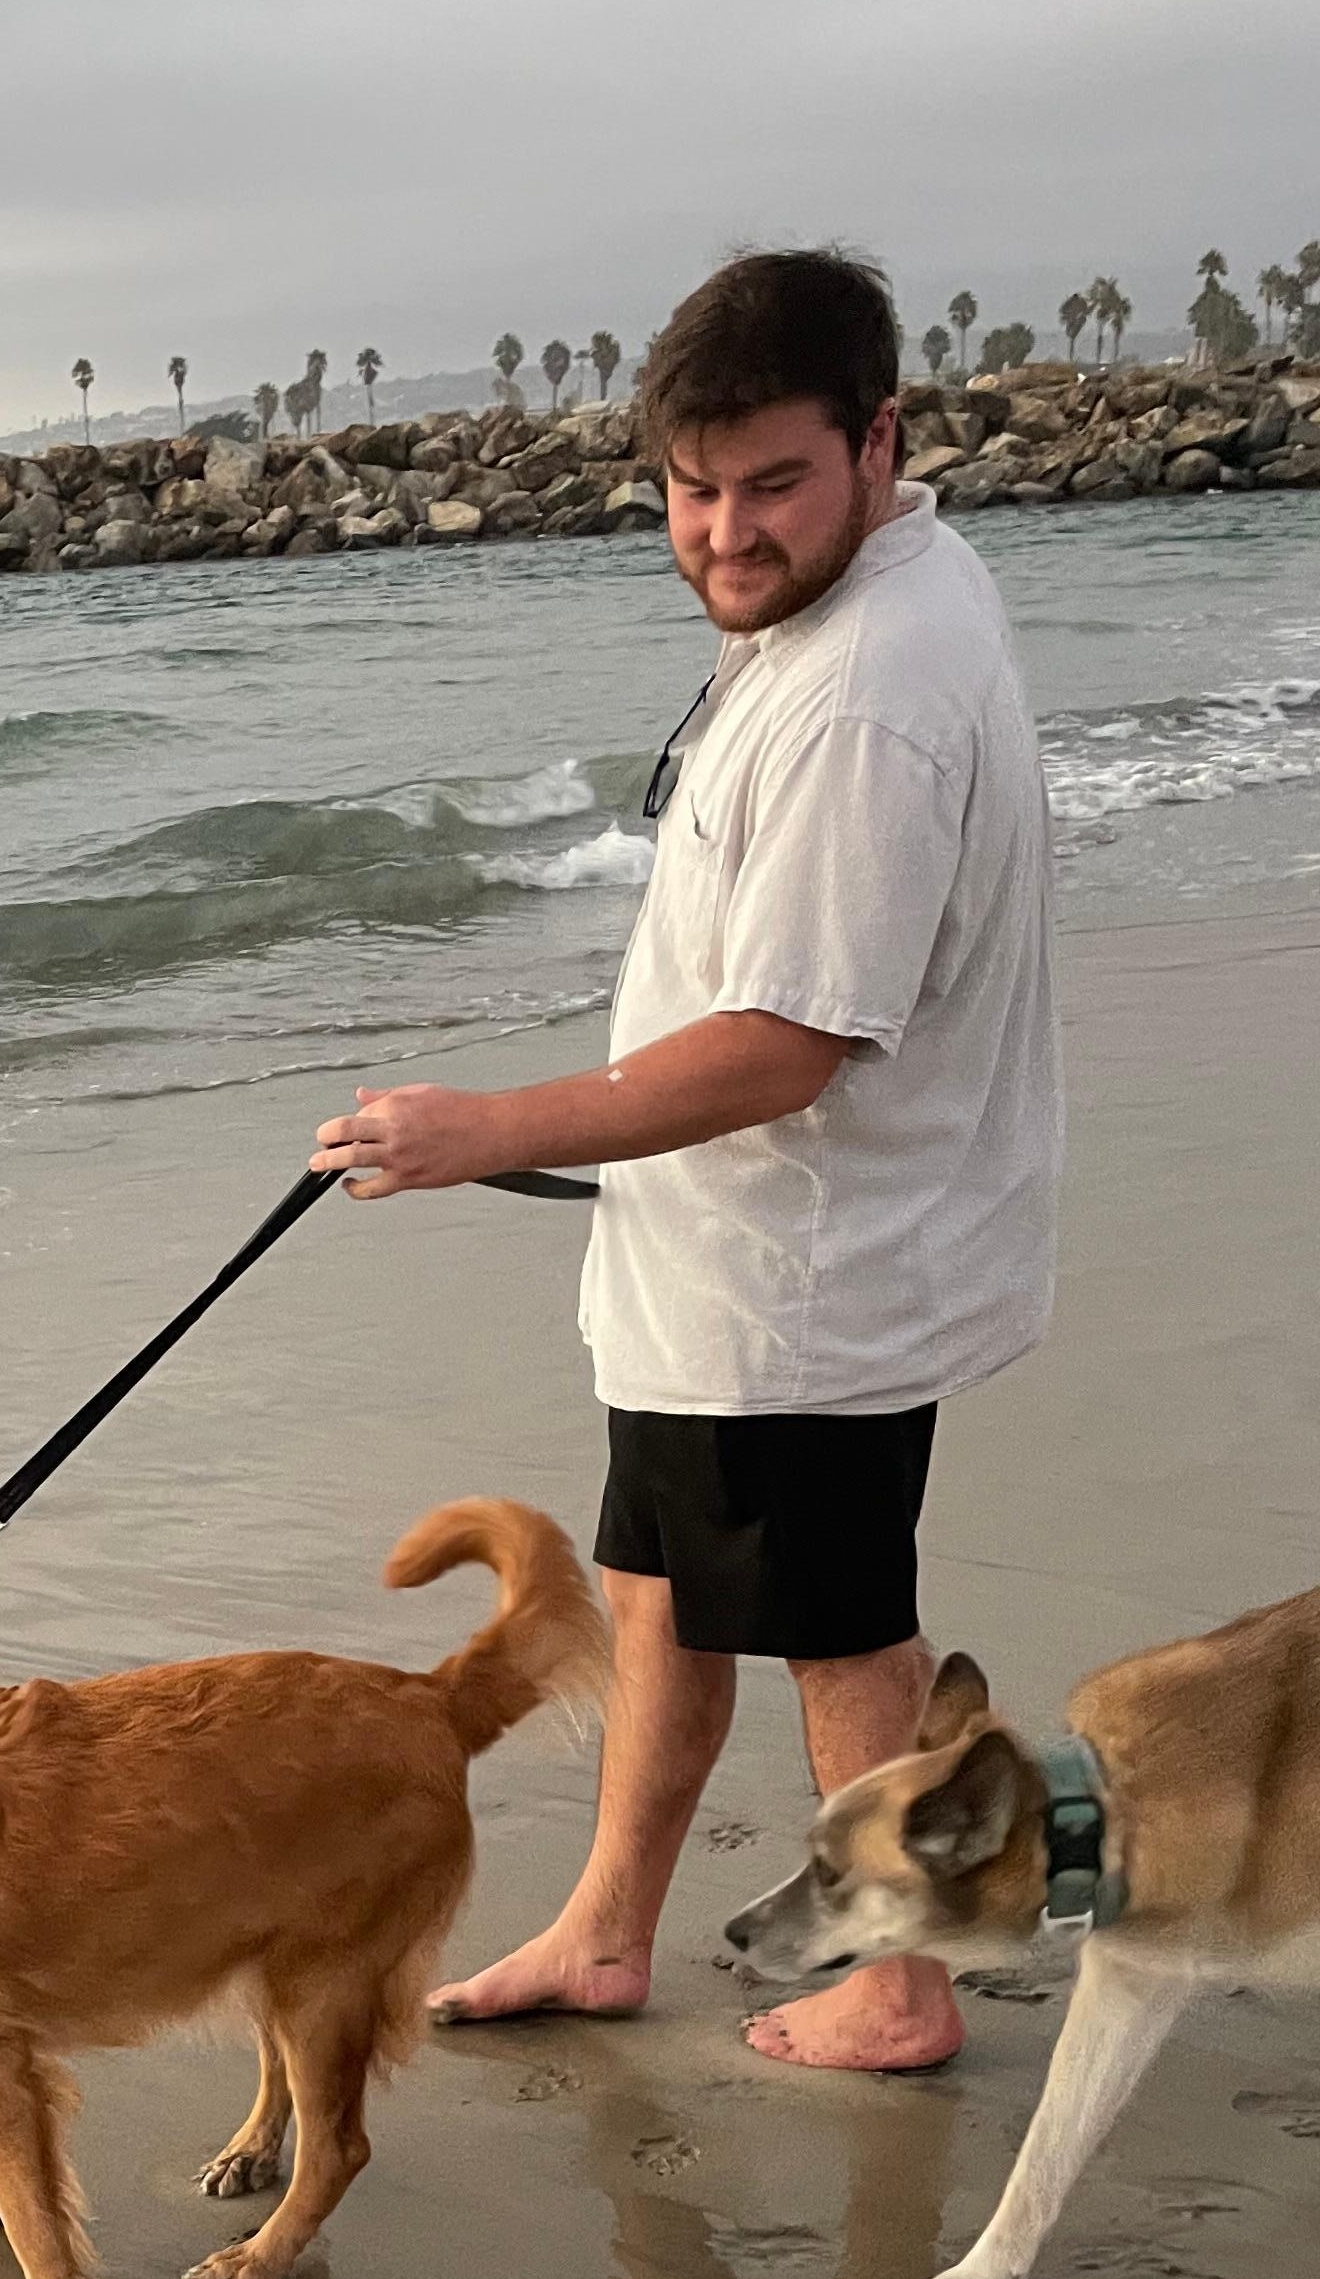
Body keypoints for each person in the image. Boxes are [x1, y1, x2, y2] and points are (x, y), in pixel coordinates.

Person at [317, 244, 1061, 2071]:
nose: (726, 531)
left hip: (808, 1266)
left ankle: (894, 1981)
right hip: (727, 1256)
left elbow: (789, 1044)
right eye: (692, 487)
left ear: (880, 440)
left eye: (774, 483)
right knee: (655, 1585)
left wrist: (485, 1127)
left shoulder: (869, 691)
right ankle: (606, 1930)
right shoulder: (849, 606)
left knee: (834, 1629)